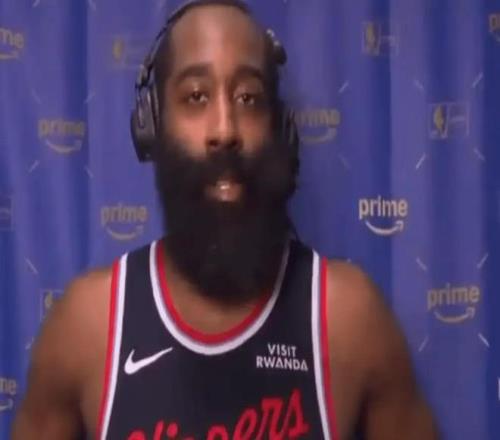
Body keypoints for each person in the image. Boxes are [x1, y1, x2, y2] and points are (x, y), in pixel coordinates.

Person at [11, 1, 440, 439]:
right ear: (153, 124)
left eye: (247, 98)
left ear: (278, 128)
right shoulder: (88, 327)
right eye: (196, 96)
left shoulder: (349, 321)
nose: (224, 129)